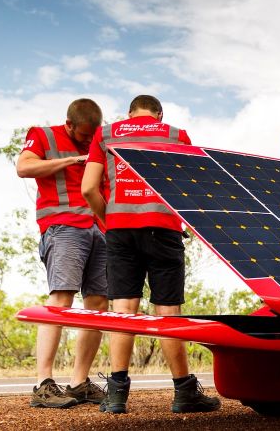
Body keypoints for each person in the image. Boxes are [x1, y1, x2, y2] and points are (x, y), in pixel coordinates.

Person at [81, 94, 220, 415]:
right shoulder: (175, 135)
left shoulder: (106, 133)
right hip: (163, 229)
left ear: (130, 113)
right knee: (168, 310)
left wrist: (109, 221)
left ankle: (116, 395)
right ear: (159, 115)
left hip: (119, 229)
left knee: (123, 310)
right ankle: (184, 392)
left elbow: (89, 188)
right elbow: (189, 188)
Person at [16, 98, 108, 408]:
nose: (88, 141)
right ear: (69, 124)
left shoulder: (102, 141)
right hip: (63, 226)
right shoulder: (44, 136)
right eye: (84, 135)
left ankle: (79, 383)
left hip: (100, 227)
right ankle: (43, 384)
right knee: (62, 298)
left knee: (97, 303)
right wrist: (71, 160)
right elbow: (24, 167)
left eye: (92, 135)